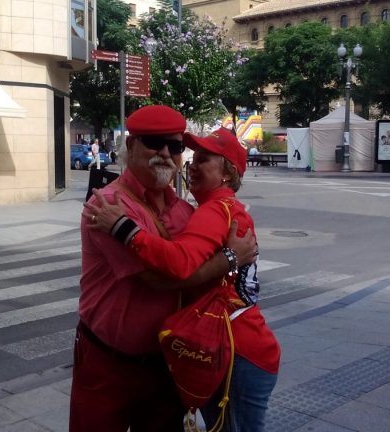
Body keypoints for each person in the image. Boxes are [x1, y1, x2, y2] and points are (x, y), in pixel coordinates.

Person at [70, 106, 257, 432]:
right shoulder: (108, 207)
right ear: (131, 146)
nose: (166, 153)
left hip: (166, 363)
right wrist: (230, 258)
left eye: (175, 146)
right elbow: (160, 279)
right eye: (154, 142)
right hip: (107, 364)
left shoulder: (184, 211)